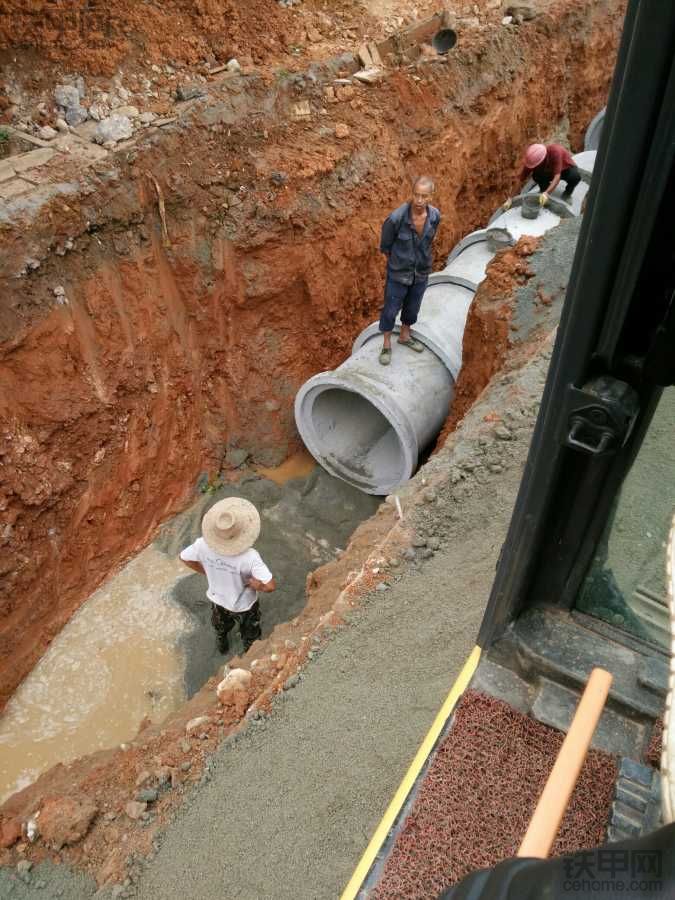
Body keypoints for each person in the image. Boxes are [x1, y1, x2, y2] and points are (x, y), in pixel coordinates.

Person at [180, 497, 276, 654]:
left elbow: (184, 557)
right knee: (250, 633)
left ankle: (222, 644)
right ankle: (249, 654)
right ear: (241, 530)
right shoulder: (250, 557)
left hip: (218, 599)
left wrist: (206, 571)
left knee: (220, 626)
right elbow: (271, 585)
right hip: (244, 604)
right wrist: (258, 586)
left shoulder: (202, 545)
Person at [378, 176, 441, 366]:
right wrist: (399, 263)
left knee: (413, 307)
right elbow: (385, 247)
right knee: (390, 310)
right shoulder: (396, 219)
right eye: (416, 195)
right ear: (411, 194)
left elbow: (430, 239)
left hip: (421, 271)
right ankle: (387, 344)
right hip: (398, 273)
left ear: (431, 196)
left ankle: (405, 335)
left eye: (424, 196)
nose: (419, 200)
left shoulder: (435, 216)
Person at [509, 142, 582, 208]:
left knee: (575, 177)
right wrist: (510, 198)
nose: (533, 167)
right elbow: (520, 180)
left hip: (565, 169)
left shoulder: (555, 152)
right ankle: (543, 190)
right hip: (549, 171)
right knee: (536, 176)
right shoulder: (532, 159)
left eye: (535, 165)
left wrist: (547, 194)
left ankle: (567, 194)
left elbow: (557, 176)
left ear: (542, 159)